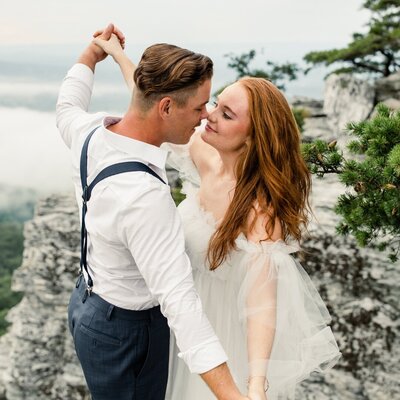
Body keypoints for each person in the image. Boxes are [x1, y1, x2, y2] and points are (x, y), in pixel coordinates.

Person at [94, 32, 342, 400]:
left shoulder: (259, 210)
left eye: (226, 114)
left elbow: (263, 304)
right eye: (215, 104)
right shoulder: (206, 157)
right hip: (173, 322)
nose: (208, 115)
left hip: (217, 335)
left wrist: (256, 382)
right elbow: (154, 104)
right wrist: (116, 55)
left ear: (253, 137)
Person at [56, 23, 250, 400]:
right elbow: (179, 302)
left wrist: (93, 55)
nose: (205, 115)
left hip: (86, 304)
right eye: (199, 106)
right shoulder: (145, 198)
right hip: (129, 334)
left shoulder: (91, 130)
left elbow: (67, 105)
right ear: (165, 107)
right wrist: (232, 395)